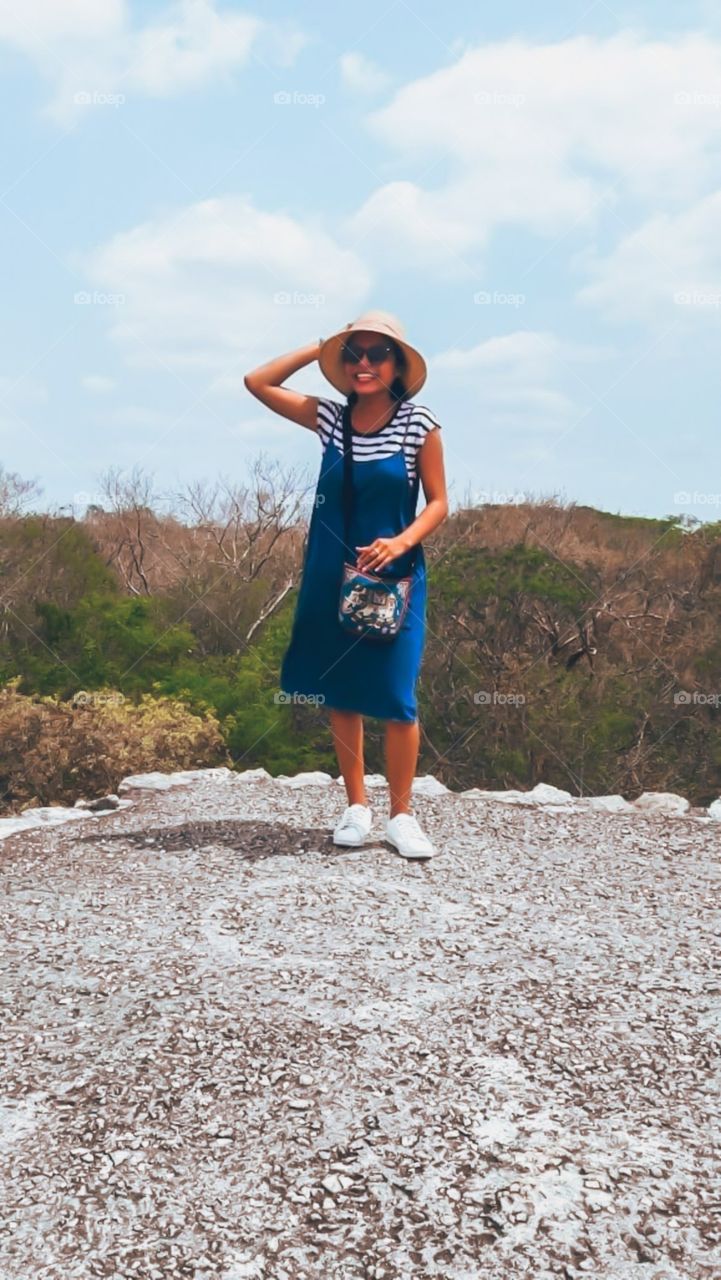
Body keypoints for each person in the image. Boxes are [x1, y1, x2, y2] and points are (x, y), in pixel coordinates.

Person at [244, 310, 448, 859]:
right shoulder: (331, 419)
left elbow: (439, 503)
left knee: (396, 692)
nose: (363, 363)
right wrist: (319, 347)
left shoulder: (418, 422)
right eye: (353, 353)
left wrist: (401, 542)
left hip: (394, 571)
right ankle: (356, 806)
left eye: (376, 353)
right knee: (340, 690)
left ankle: (401, 815)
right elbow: (257, 382)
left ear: (398, 363)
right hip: (330, 569)